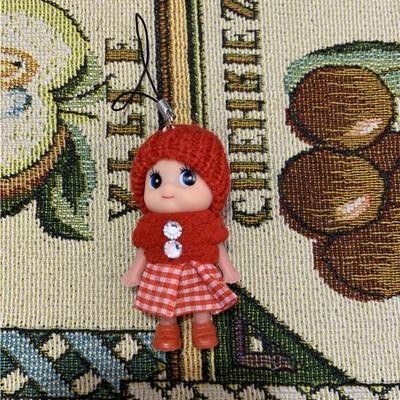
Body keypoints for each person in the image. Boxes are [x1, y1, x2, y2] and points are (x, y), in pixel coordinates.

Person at [122, 124, 240, 351]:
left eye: (187, 178)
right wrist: (135, 271)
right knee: (164, 301)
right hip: (161, 269)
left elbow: (218, 245)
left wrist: (228, 269)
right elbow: (144, 249)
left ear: (215, 187)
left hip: (198, 267)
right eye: (156, 182)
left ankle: (203, 325)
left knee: (202, 297)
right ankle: (167, 327)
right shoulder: (150, 224)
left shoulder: (206, 221)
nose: (167, 190)